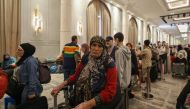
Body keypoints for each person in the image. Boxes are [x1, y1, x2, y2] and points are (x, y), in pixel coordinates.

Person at [51, 36, 121, 109]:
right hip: (81, 99)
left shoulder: (109, 63)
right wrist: (60, 85)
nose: (96, 49)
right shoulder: (86, 58)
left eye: (99, 46)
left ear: (103, 48)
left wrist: (88, 104)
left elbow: (110, 91)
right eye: (94, 45)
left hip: (99, 102)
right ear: (90, 46)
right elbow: (76, 76)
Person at [114, 32, 131, 108]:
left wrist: (118, 84)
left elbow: (119, 68)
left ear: (117, 39)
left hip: (122, 81)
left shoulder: (119, 52)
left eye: (114, 40)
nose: (114, 42)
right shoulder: (127, 49)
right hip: (127, 78)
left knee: (120, 102)